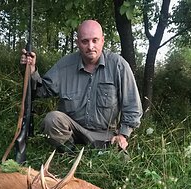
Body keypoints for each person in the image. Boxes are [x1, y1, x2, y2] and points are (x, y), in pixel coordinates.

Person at [20, 19, 143, 152]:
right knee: (52, 120)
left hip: (106, 135)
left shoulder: (118, 65)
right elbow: (41, 90)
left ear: (103, 40)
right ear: (77, 42)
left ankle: (95, 152)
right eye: (85, 41)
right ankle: (71, 153)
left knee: (122, 161)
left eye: (95, 40)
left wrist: (123, 134)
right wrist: (31, 71)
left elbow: (132, 106)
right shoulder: (65, 65)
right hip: (72, 131)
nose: (90, 46)